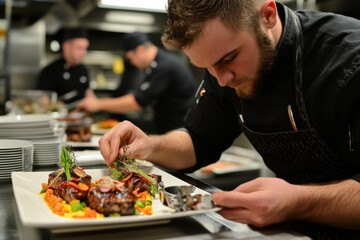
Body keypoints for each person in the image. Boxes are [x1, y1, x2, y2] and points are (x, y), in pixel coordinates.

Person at [98, 0, 360, 239]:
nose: (222, 79)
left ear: (267, 16)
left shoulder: (349, 60)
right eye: (208, 68)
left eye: (229, 58)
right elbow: (198, 140)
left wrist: (298, 201)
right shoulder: (221, 66)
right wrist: (152, 146)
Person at [77, 32, 197, 134]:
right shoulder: (157, 64)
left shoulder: (164, 66)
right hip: (170, 128)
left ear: (139, 50)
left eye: (131, 58)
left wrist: (98, 104)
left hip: (180, 130)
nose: (132, 63)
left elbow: (137, 101)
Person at [36, 27, 90, 106]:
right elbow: (43, 101)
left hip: (82, 117)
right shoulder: (49, 71)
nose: (83, 53)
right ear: (66, 47)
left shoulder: (83, 69)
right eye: (79, 48)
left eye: (85, 48)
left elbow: (88, 93)